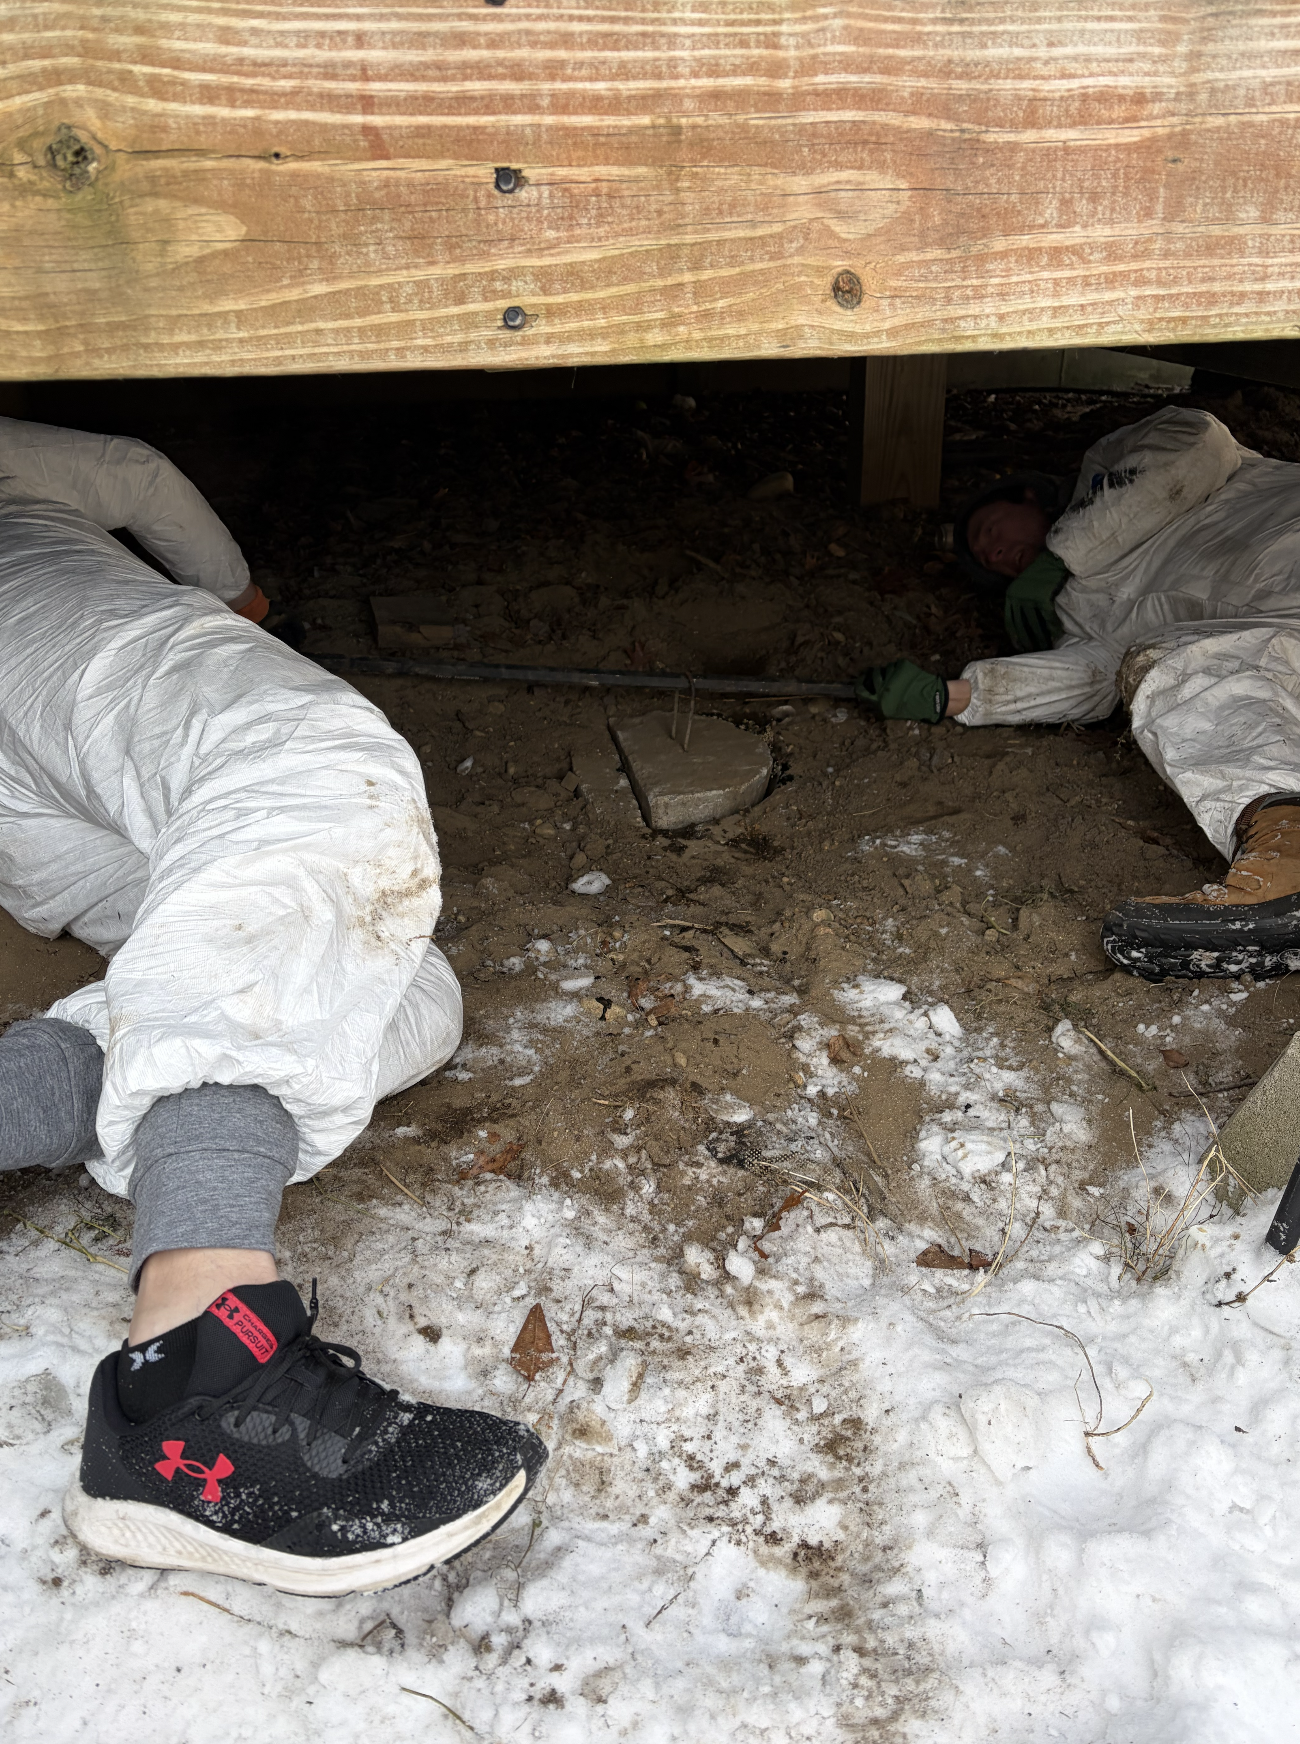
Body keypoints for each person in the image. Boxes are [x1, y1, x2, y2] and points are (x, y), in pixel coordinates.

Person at [0, 415, 545, 1595]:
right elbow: (136, 474)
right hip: (42, 640)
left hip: (33, 807)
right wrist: (238, 597)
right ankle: (194, 1364)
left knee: (395, 987)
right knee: (310, 755)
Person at [856, 404, 1300, 982]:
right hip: (1280, 640)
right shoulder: (1074, 611)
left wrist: (1063, 552)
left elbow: (1200, 443)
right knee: (1166, 670)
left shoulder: (1107, 469)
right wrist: (949, 695)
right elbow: (1094, 678)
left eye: (990, 531)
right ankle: (1288, 861)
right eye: (988, 561)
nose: (994, 552)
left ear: (1027, 496)